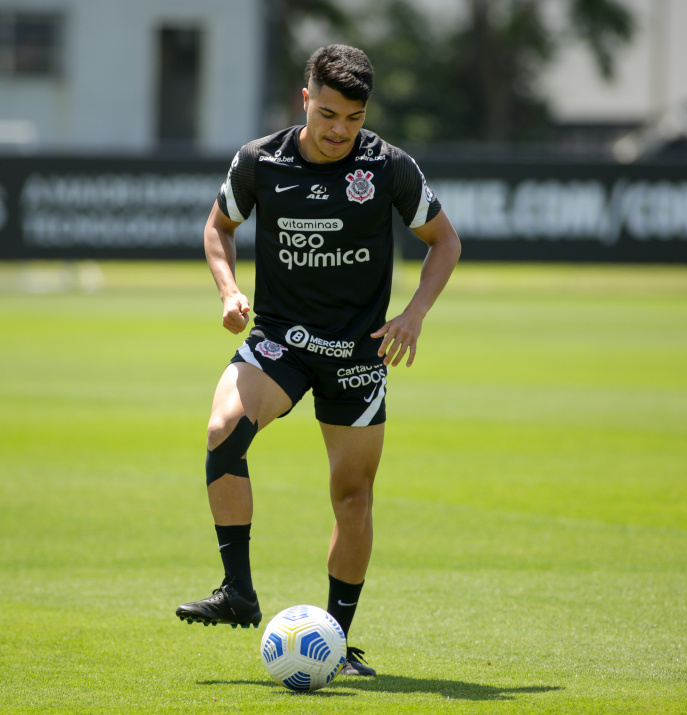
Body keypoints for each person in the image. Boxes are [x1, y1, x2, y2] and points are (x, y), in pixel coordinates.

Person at [175, 44, 461, 677]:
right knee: (224, 431)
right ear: (305, 99)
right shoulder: (260, 161)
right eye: (328, 113)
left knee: (352, 498)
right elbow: (217, 227)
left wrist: (413, 315)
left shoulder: (387, 166)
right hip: (280, 341)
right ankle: (238, 593)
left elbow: (445, 242)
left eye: (353, 118)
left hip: (360, 353)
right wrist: (229, 290)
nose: (339, 130)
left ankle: (337, 641)